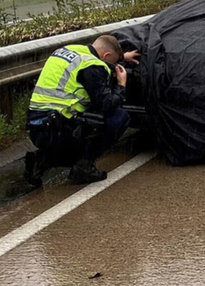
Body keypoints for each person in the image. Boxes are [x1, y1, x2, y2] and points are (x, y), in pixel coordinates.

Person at [24, 35, 140, 187]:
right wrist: (121, 85)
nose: (113, 67)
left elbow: (98, 56)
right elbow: (107, 104)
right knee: (118, 117)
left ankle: (43, 160)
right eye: (113, 63)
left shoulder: (69, 50)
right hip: (56, 132)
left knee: (86, 117)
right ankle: (83, 167)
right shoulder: (93, 67)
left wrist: (122, 57)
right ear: (105, 56)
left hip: (37, 125)